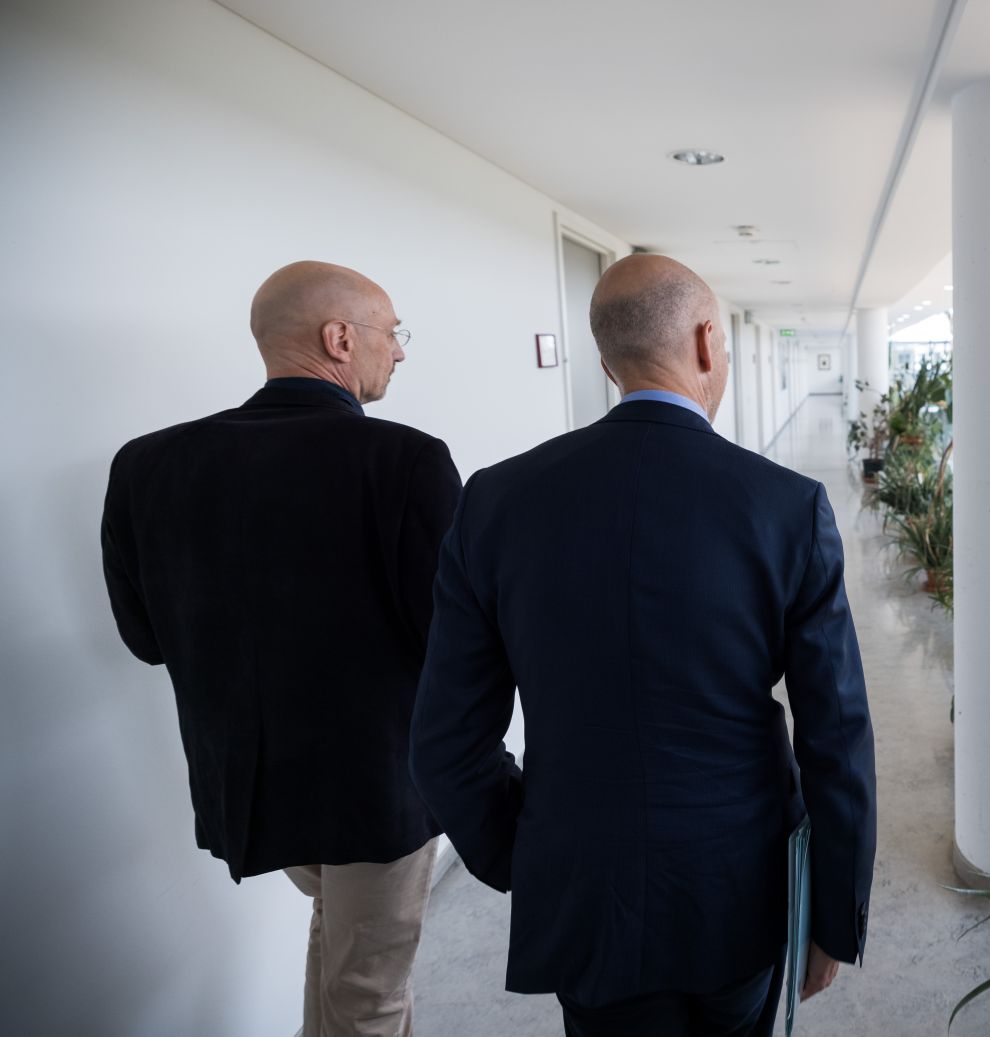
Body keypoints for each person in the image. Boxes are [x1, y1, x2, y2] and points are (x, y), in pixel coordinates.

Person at [410, 253, 877, 1036]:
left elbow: (445, 740)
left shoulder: (497, 501)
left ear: (605, 360)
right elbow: (837, 733)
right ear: (704, 341)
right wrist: (833, 912)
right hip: (740, 884)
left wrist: (528, 855)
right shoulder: (785, 506)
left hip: (584, 889)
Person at [101, 261, 461, 1037]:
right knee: (371, 996)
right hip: (379, 792)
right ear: (339, 339)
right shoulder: (405, 460)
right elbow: (452, 643)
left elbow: (143, 639)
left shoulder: (146, 464)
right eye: (392, 332)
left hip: (249, 790)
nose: (398, 351)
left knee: (337, 945)